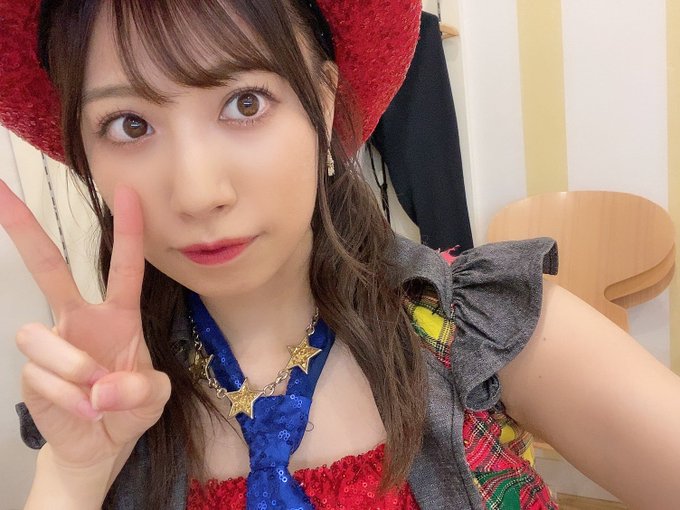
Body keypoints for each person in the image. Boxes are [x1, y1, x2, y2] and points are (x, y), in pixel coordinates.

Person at [0, 1, 679, 509]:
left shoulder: (480, 329)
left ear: (323, 104)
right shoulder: (106, 399)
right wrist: (75, 476)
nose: (199, 192)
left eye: (244, 103)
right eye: (130, 125)